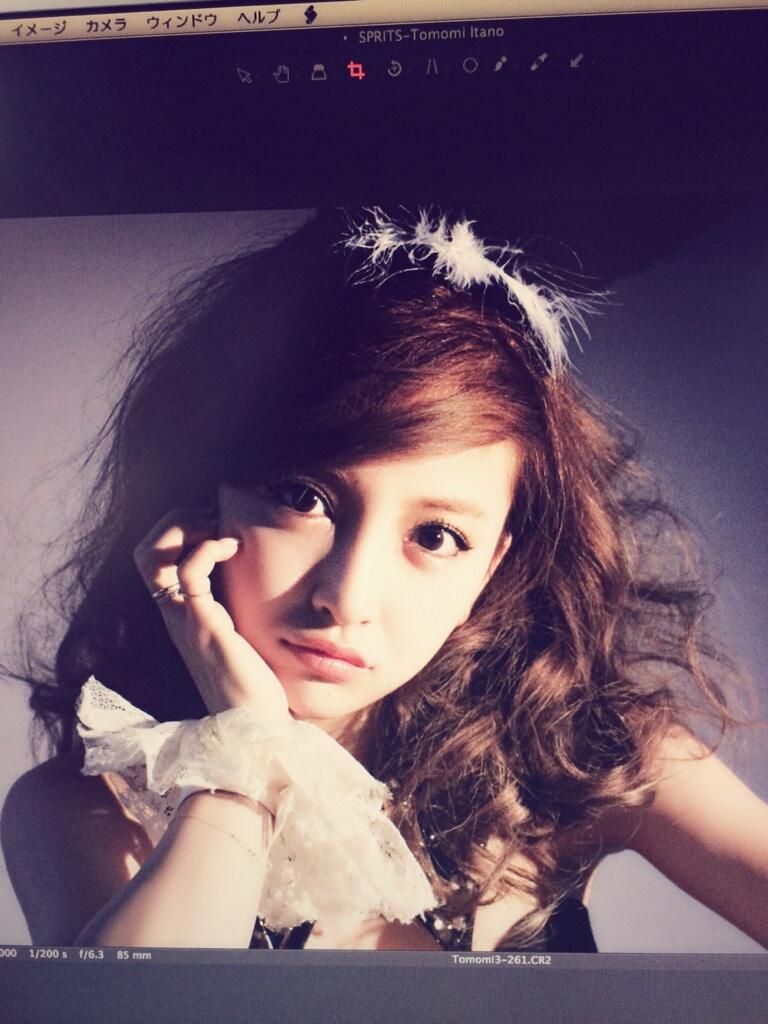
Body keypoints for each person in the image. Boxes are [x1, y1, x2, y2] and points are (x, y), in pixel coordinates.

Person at [2, 208, 766, 952]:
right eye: (303, 497)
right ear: (205, 497)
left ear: (491, 566)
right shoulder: (83, 810)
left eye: (436, 536)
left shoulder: (586, 758)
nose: (347, 598)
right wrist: (245, 756)